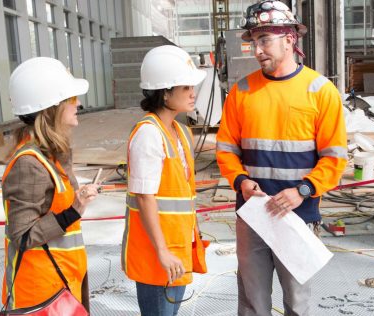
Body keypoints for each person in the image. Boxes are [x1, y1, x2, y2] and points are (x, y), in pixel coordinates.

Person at [216, 1, 348, 315]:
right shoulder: (242, 91)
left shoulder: (320, 90)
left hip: (298, 217)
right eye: (254, 41)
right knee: (251, 301)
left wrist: (301, 191)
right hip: (253, 215)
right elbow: (226, 151)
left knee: (297, 303)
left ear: (290, 39)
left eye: (265, 40)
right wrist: (241, 181)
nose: (257, 49)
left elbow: (334, 158)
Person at [1, 57, 99, 312]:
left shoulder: (52, 155)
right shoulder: (29, 164)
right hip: (41, 296)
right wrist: (72, 212)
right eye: (70, 99)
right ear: (51, 107)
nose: (77, 103)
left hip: (61, 286)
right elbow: (22, 235)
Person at [121, 45, 207, 316]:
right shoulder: (148, 134)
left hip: (175, 249)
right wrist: (162, 251)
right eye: (185, 88)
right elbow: (145, 198)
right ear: (165, 92)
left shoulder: (180, 132)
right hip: (157, 253)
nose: (193, 93)